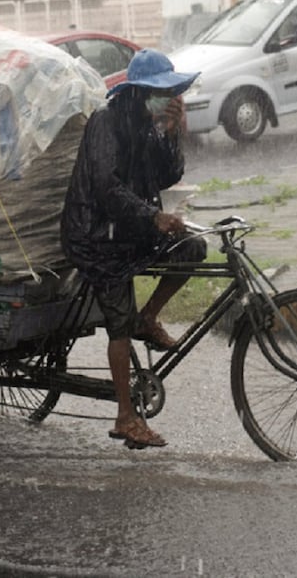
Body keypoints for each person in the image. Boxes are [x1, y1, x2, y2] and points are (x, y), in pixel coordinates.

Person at [60, 49, 208, 449]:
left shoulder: (146, 124)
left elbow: (167, 175)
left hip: (129, 228)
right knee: (118, 322)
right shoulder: (106, 123)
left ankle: (151, 317)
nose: (167, 98)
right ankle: (126, 417)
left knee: (193, 249)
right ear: (140, 92)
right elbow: (107, 189)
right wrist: (152, 217)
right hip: (95, 235)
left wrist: (173, 131)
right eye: (162, 93)